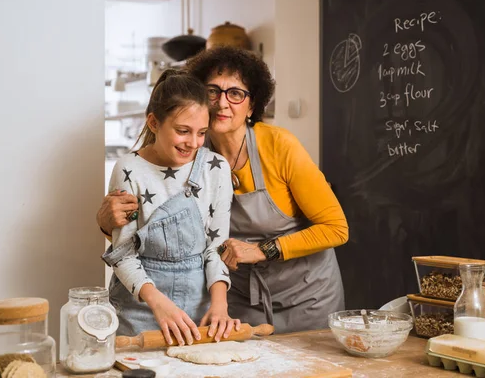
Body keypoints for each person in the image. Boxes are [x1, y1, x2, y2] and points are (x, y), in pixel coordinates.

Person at [98, 47, 349, 333]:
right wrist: (108, 223)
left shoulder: (279, 146)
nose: (222, 103)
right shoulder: (191, 151)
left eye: (236, 93)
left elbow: (336, 228)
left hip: (307, 295)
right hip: (238, 297)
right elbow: (152, 224)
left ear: (252, 106)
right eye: (213, 91)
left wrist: (262, 250)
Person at [101, 69, 240, 345]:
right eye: (182, 131)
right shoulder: (129, 169)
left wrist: (220, 304)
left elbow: (216, 247)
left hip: (197, 312)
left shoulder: (216, 168)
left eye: (201, 132)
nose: (194, 143)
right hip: (139, 308)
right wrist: (158, 304)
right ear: (153, 122)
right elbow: (123, 254)